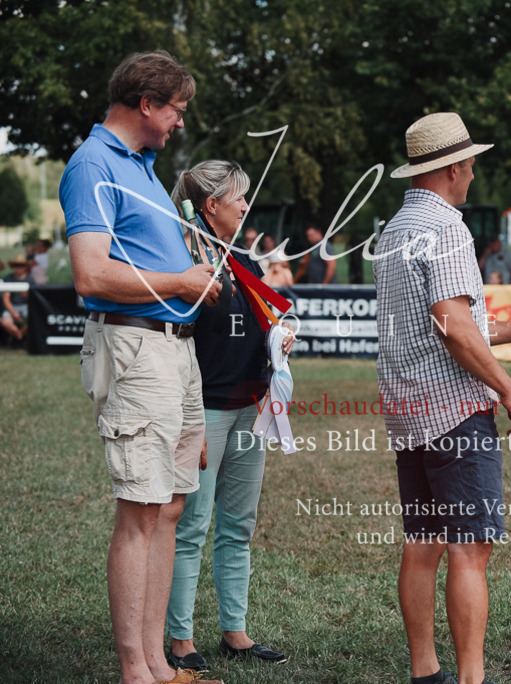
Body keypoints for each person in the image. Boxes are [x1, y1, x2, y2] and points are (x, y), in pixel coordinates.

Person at [375, 112, 511, 684]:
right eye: (472, 164)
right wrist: (510, 388)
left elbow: (450, 322)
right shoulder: (448, 229)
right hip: (455, 412)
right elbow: (454, 327)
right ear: (455, 166)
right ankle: (471, 678)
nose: (474, 174)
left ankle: (425, 671)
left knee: (423, 542)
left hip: (409, 410)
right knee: (470, 548)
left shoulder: (394, 231)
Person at [58, 50, 222, 684]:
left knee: (170, 506)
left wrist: (192, 272)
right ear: (148, 104)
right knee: (140, 509)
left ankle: (159, 664)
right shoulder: (92, 164)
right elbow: (90, 273)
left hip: (173, 348)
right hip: (135, 347)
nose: (180, 122)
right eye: (177, 109)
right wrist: (180, 280)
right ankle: (135, 670)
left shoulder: (147, 170)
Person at [165, 160, 290, 674]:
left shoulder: (243, 258)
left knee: (238, 525)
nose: (245, 206)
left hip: (251, 404)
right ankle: (179, 639)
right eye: (237, 198)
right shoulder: (182, 256)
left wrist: (281, 336)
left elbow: (265, 317)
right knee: (191, 528)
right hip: (205, 408)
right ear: (211, 205)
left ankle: (235, 632)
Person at [1, 254, 34, 344]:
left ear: (25, 267)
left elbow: (33, 298)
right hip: (12, 307)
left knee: (34, 319)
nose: (19, 268)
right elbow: (6, 299)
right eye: (17, 265)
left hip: (26, 306)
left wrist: (23, 293)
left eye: (21, 265)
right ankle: (19, 336)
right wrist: (13, 313)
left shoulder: (30, 279)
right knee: (5, 322)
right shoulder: (8, 279)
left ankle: (19, 337)